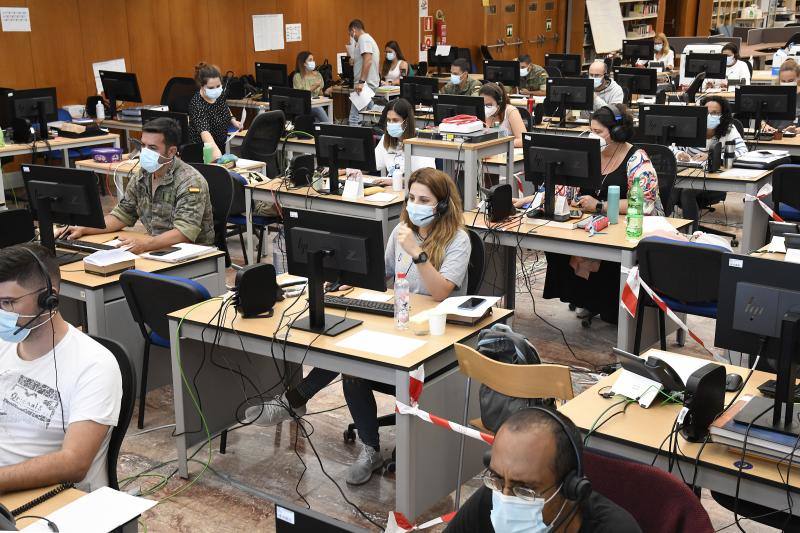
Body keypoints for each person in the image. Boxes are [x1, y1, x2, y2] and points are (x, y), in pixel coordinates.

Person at [246, 168, 470, 486]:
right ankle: (370, 449)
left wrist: (418, 254)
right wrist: (346, 275)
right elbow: (381, 275)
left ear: (443, 205)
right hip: (399, 323)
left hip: (435, 339)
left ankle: (294, 399)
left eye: (425, 200)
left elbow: (440, 292)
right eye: (412, 198)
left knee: (352, 364)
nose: (415, 205)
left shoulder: (458, 239)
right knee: (350, 361)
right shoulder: (401, 232)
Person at [0, 244, 122, 492]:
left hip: (50, 495)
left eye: (8, 302)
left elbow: (73, 463)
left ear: (48, 298)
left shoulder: (95, 365)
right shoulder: (3, 344)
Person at [544, 104, 663, 323]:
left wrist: (600, 206)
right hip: (589, 224)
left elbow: (645, 204)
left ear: (617, 132)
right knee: (552, 240)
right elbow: (564, 189)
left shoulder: (637, 159)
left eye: (598, 131)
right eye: (591, 130)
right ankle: (584, 298)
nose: (592, 136)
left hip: (625, 227)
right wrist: (530, 201)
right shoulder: (588, 154)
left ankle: (603, 304)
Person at [444, 408, 641, 532]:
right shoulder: (493, 494)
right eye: (497, 478)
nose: (505, 500)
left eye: (525, 490)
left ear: (570, 490)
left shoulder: (617, 529)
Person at [63, 118, 215, 253]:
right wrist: (84, 228)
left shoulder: (190, 181)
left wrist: (145, 245)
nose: (145, 152)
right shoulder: (143, 175)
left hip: (191, 253)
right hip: (155, 247)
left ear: (171, 151)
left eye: (152, 148)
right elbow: (122, 215)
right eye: (143, 145)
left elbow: (184, 233)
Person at [671, 95, 747, 230]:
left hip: (714, 179)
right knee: (672, 188)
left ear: (723, 115)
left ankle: (691, 234)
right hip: (688, 173)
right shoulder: (691, 126)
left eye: (715, 113)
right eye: (707, 112)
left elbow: (743, 151)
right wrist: (679, 153)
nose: (710, 116)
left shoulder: (729, 129)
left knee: (687, 192)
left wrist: (713, 156)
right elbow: (672, 146)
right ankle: (665, 231)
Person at [372, 98, 435, 185]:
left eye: (395, 120)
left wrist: (397, 181)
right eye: (389, 120)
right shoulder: (385, 139)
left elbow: (427, 179)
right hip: (391, 189)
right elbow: (374, 164)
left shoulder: (420, 142)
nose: (391, 124)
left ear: (406, 122)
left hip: (412, 190)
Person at [188, 62, 242, 161]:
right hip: (203, 151)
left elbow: (225, 107)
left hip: (220, 143)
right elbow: (205, 133)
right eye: (211, 88)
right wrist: (217, 154)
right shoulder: (197, 104)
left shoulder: (219, 95)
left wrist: (233, 120)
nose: (216, 90)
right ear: (202, 86)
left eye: (218, 86)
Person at [348, 19, 381, 126]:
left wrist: (361, 82)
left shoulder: (363, 39)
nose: (351, 37)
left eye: (350, 34)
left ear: (353, 30)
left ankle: (353, 139)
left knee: (354, 118)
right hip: (368, 84)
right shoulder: (367, 39)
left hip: (365, 85)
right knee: (375, 115)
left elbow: (368, 60)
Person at [479, 82, 526, 147]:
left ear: (499, 103)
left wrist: (499, 144)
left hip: (507, 151)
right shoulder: (479, 112)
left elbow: (523, 140)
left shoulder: (510, 111)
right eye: (482, 104)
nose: (485, 108)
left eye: (489, 105)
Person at [763, 59, 800, 134]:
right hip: (773, 136)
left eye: (790, 81)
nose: (787, 83)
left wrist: (796, 130)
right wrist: (764, 125)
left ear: (798, 78)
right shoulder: (772, 95)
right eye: (783, 81)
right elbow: (760, 118)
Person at [292, 51, 329, 124]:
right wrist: (314, 87)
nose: (313, 62)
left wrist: (326, 92)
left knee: (319, 112)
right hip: (304, 106)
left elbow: (320, 94)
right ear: (304, 63)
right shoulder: (297, 77)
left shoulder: (318, 75)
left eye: (313, 59)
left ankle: (326, 128)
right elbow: (301, 94)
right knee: (318, 109)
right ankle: (330, 128)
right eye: (310, 60)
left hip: (316, 103)